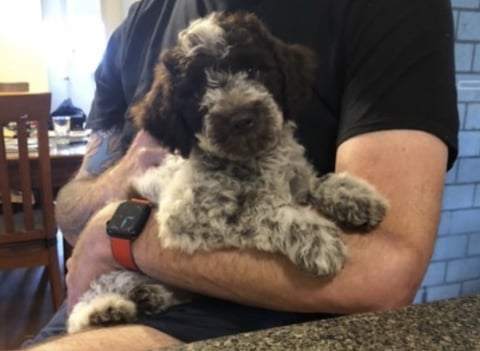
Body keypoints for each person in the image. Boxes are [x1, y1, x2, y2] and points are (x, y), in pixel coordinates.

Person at [23, 0, 459, 350]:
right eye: (200, 91)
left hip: (267, 314)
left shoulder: (389, 9)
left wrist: (115, 236)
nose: (235, 106)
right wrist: (118, 190)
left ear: (286, 80)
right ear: (179, 120)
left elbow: (386, 271)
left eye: (252, 73)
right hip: (136, 289)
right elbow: (73, 213)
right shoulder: (140, 20)